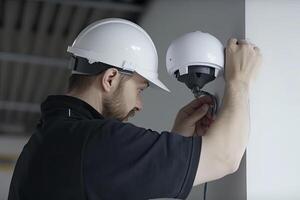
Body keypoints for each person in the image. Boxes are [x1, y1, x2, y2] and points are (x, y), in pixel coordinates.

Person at [8, 18, 262, 200]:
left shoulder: (46, 143)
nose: (139, 104)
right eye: (139, 89)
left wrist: (178, 140)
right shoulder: (96, 142)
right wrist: (238, 81)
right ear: (110, 78)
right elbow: (224, 157)